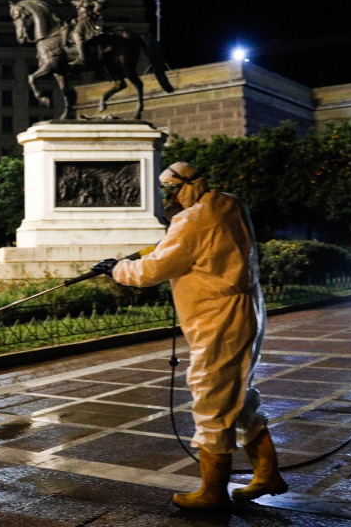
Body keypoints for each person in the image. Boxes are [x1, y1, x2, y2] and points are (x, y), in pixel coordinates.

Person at [93, 161, 288, 510]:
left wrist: (116, 269)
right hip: (245, 310)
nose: (169, 198)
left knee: (211, 394)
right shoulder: (229, 203)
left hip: (218, 319)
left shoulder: (192, 219)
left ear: (191, 184)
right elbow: (183, 247)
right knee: (238, 396)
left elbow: (153, 270)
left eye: (172, 190)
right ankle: (267, 474)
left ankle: (212, 493)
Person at [40, 0, 105, 69]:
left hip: (89, 18)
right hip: (79, 18)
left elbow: (102, 2)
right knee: (64, 29)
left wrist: (85, 4)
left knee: (76, 34)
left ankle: (82, 58)